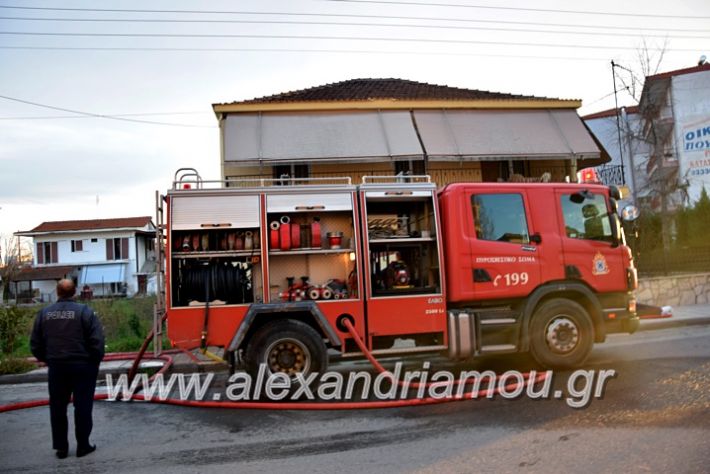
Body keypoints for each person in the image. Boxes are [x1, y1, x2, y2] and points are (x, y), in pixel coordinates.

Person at [30, 279, 105, 459]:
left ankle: (61, 448)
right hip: (83, 367)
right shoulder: (85, 312)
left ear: (57, 292)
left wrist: (47, 359)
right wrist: (93, 362)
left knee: (57, 407)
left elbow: (35, 343)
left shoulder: (44, 314)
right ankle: (83, 446)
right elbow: (97, 342)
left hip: (57, 367)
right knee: (83, 406)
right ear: (74, 293)